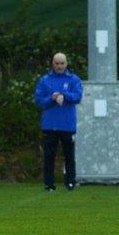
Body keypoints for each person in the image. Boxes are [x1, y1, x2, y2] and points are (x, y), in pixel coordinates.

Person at [33, 52, 83, 191]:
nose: (59, 66)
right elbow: (39, 101)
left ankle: (70, 182)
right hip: (50, 124)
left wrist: (63, 95)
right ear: (52, 64)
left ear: (66, 64)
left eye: (62, 63)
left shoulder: (74, 79)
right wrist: (52, 98)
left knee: (69, 155)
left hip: (68, 125)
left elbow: (78, 97)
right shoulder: (45, 80)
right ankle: (49, 184)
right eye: (57, 63)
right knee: (49, 156)